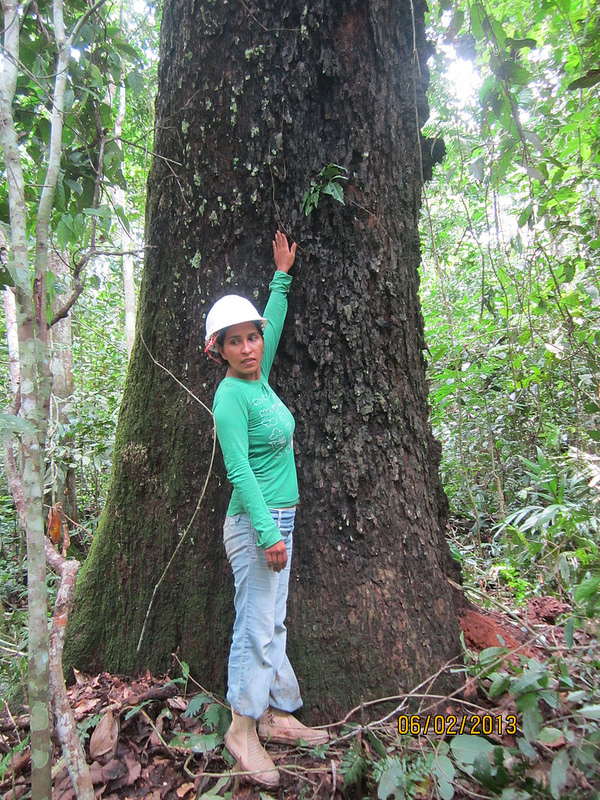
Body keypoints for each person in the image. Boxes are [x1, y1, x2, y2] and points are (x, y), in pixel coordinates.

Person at [204, 231, 328, 788]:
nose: (249, 347)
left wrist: (282, 276)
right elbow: (239, 471)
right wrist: (267, 532)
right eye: (235, 342)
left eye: (251, 337)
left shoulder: (260, 381)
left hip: (281, 520)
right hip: (256, 524)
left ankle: (278, 714)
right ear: (220, 350)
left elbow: (272, 325)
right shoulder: (230, 396)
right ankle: (241, 729)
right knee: (255, 624)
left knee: (272, 620)